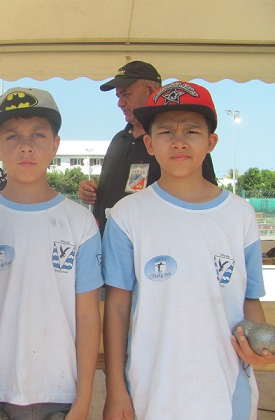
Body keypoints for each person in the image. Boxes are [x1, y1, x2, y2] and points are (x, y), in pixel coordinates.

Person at [102, 81, 274, 419]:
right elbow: (118, 308)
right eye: (166, 132)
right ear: (149, 143)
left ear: (210, 142)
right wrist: (116, 390)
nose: (179, 141)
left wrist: (261, 349)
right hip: (151, 392)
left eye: (192, 131)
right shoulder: (127, 216)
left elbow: (249, 300)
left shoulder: (240, 214)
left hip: (227, 393)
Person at [0, 87, 103, 420]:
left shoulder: (80, 223)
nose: (26, 146)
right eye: (12, 137)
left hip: (62, 396)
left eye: (38, 135)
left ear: (56, 144)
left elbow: (87, 316)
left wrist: (83, 402)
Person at [78, 61, 217, 235]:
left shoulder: (184, 147)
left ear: (151, 90)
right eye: (118, 96)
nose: (120, 103)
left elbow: (206, 197)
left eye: (126, 94)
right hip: (111, 246)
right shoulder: (118, 140)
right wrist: (91, 192)